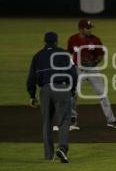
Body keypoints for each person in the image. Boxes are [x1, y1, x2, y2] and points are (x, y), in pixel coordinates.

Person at [59, 19, 116, 131]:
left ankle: (111, 120)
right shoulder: (72, 39)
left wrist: (95, 62)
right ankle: (72, 119)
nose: (90, 30)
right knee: (73, 95)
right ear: (81, 29)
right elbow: (69, 52)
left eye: (91, 28)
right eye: (88, 28)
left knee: (103, 95)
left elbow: (101, 54)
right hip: (78, 70)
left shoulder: (95, 39)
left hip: (93, 70)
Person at [27, 32, 77, 163]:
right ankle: (62, 148)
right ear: (56, 41)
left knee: (46, 123)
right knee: (64, 121)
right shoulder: (64, 54)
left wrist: (32, 95)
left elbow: (31, 78)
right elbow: (73, 73)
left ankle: (48, 156)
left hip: (45, 90)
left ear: (45, 41)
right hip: (62, 88)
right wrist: (72, 89)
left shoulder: (37, 56)